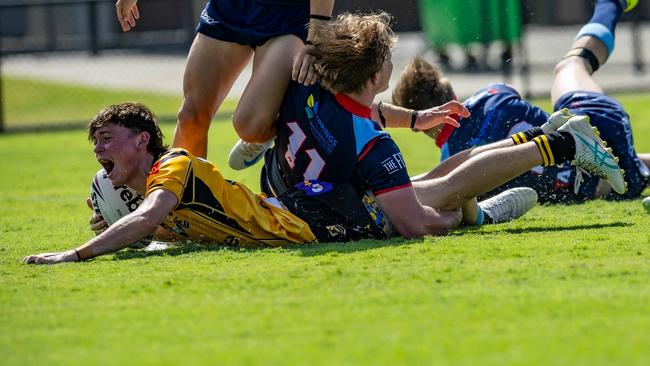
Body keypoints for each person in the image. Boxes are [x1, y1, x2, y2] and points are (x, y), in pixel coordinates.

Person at [259, 12, 626, 242]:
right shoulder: (373, 143)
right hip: (338, 203)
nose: (393, 64)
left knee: (437, 179)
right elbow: (416, 225)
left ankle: (548, 144)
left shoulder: (312, 88)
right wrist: (450, 218)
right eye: (388, 59)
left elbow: (367, 112)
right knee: (445, 188)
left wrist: (417, 119)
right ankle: (561, 144)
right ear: (373, 76)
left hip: (320, 193)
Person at [392, 0, 648, 203]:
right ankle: (611, 4)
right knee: (571, 65)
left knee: (620, 161)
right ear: (450, 93)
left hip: (610, 187)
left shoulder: (453, 170)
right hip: (599, 126)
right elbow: (508, 93)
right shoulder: (492, 93)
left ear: (418, 126)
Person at [23, 102, 317, 265]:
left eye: (108, 139)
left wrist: (75, 254)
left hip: (305, 221)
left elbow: (148, 216)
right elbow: (174, 230)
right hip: (295, 218)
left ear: (142, 140)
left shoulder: (173, 164)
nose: (98, 149)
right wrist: (117, 225)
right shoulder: (158, 190)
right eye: (96, 142)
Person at [115, 0, 334, 161]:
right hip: (230, 10)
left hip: (288, 19)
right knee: (191, 117)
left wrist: (316, 37)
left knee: (250, 127)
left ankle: (266, 129)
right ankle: (178, 208)